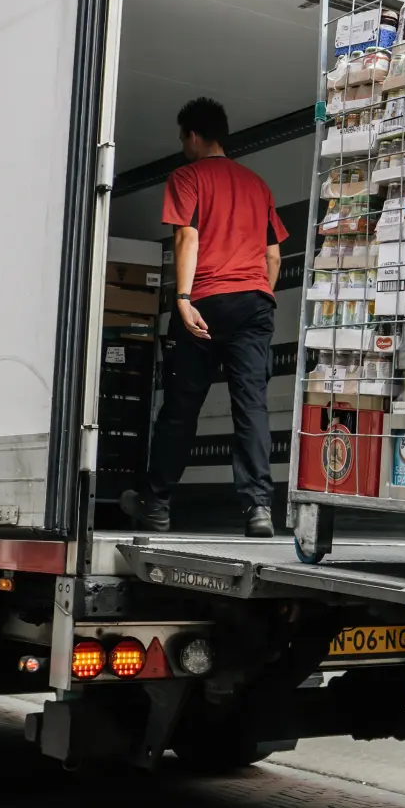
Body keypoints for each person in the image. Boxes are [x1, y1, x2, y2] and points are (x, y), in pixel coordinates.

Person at [122, 97, 289, 538]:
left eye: (182, 137)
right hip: (253, 302)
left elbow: (186, 238)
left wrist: (182, 297)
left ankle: (156, 504)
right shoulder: (257, 185)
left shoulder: (187, 177)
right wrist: (260, 293)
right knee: (251, 405)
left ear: (194, 136)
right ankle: (258, 509)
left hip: (206, 303)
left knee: (181, 407)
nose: (182, 145)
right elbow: (273, 255)